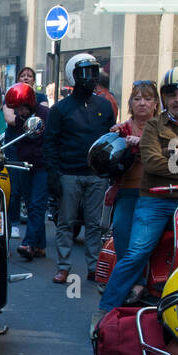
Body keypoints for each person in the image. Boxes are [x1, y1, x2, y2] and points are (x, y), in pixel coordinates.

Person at [94, 67, 178, 323]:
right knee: (136, 252)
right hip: (156, 199)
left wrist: (175, 156)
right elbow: (152, 163)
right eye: (172, 93)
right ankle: (105, 310)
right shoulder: (154, 125)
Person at [44, 52, 116, 285]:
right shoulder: (60, 109)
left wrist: (110, 170)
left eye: (94, 73)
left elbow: (110, 139)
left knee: (95, 224)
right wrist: (54, 175)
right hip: (68, 173)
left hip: (96, 175)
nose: (91, 78)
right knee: (66, 222)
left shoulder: (105, 106)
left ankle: (94, 266)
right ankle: (63, 267)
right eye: (84, 73)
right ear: (73, 76)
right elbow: (50, 143)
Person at [101, 81, 158, 301]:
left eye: (147, 98)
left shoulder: (160, 128)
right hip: (127, 191)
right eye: (137, 98)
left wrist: (142, 142)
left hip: (154, 194)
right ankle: (136, 283)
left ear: (155, 103)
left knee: (143, 243)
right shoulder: (123, 128)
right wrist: (115, 140)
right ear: (131, 103)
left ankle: (139, 284)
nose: (142, 103)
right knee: (122, 236)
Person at [3, 82, 50, 256]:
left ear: (29, 103)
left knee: (37, 204)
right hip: (25, 165)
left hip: (42, 166)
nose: (19, 112)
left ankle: (29, 243)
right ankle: (40, 245)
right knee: (31, 204)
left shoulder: (45, 115)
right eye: (17, 109)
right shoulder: (20, 118)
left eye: (21, 108)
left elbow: (51, 141)